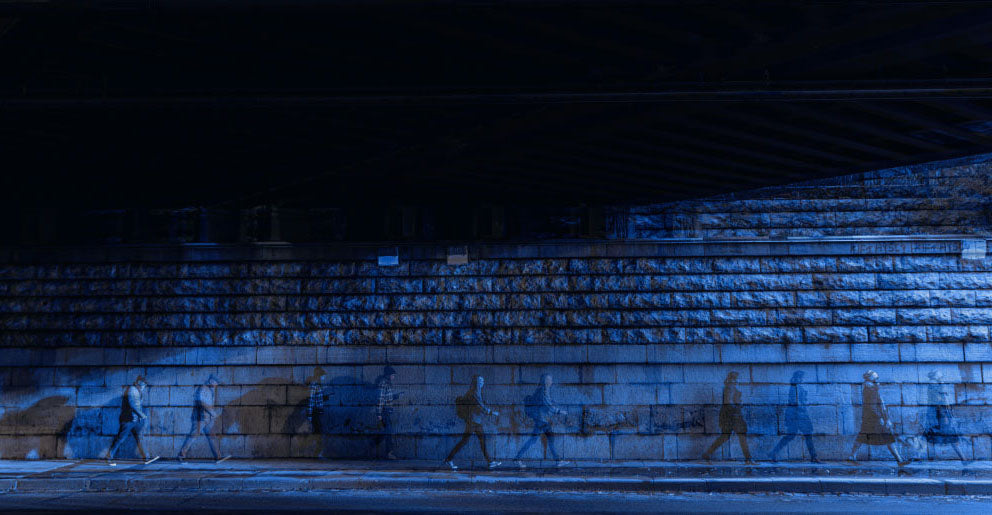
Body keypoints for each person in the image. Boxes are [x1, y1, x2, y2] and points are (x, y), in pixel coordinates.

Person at [846, 370, 909, 466]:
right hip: (874, 419)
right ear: (870, 378)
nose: (877, 380)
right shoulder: (870, 390)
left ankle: (852, 455)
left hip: (870, 418)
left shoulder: (870, 388)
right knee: (887, 437)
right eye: (875, 378)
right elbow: (872, 406)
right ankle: (899, 460)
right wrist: (881, 418)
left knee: (863, 436)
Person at [513, 374, 568, 468]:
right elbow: (547, 405)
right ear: (545, 381)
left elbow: (548, 402)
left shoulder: (543, 390)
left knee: (536, 440)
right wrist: (559, 411)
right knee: (546, 439)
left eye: (551, 379)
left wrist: (554, 403)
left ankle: (518, 458)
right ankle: (558, 461)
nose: (551, 381)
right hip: (542, 420)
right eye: (549, 380)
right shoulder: (543, 391)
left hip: (542, 420)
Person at [445, 376, 500, 470]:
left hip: (476, 422)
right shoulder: (474, 393)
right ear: (476, 382)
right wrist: (492, 412)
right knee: (464, 441)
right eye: (480, 381)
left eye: (483, 380)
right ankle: (449, 459)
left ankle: (490, 462)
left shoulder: (476, 392)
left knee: (481, 441)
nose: (483, 382)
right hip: (472, 422)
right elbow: (480, 406)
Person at [702, 371, 754, 463]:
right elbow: (728, 402)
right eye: (736, 378)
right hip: (733, 416)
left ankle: (708, 453)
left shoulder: (729, 387)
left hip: (730, 415)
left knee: (726, 436)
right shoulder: (730, 387)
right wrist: (737, 409)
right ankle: (748, 458)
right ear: (733, 379)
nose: (737, 380)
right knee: (740, 436)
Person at [107, 376, 159, 465]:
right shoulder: (132, 390)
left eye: (144, 385)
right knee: (121, 439)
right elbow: (133, 405)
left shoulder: (137, 391)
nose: (144, 387)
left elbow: (138, 405)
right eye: (143, 385)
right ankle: (109, 457)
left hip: (135, 420)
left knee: (140, 438)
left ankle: (146, 457)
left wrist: (139, 417)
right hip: (128, 420)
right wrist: (142, 415)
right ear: (139, 383)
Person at [768, 371, 818, 463]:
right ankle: (813, 457)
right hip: (798, 415)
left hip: (797, 414)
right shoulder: (795, 387)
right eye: (800, 377)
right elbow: (795, 402)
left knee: (796, 435)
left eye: (801, 377)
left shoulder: (796, 387)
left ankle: (813, 456)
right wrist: (803, 406)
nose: (801, 379)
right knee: (801, 435)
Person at [178, 375, 228, 463]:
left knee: (212, 437)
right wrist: (212, 412)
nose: (216, 385)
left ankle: (218, 457)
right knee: (193, 436)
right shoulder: (202, 388)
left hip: (208, 419)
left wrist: (211, 415)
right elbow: (201, 402)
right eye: (216, 383)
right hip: (200, 418)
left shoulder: (210, 390)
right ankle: (181, 455)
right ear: (211, 381)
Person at [922, 370, 967, 462]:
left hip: (936, 412)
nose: (942, 376)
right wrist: (949, 412)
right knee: (948, 435)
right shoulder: (938, 385)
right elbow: (945, 400)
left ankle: (931, 458)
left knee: (933, 436)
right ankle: (963, 459)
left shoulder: (932, 385)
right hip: (940, 412)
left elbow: (937, 401)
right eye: (940, 374)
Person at [373, 366, 402, 460]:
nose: (393, 377)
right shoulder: (383, 384)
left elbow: (387, 397)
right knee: (388, 431)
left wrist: (396, 396)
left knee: (386, 431)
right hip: (384, 411)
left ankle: (375, 444)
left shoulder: (387, 383)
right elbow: (380, 399)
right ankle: (388, 452)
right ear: (388, 375)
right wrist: (379, 414)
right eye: (392, 375)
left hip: (387, 411)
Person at [308, 368, 328, 435]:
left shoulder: (318, 385)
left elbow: (316, 398)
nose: (324, 377)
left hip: (318, 412)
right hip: (315, 413)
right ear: (318, 375)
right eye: (322, 375)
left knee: (318, 432)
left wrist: (323, 398)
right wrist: (310, 416)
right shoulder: (314, 385)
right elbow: (311, 400)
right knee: (317, 432)